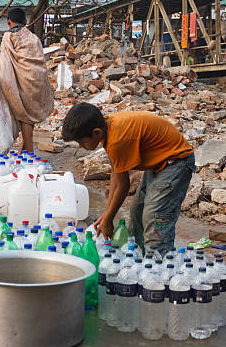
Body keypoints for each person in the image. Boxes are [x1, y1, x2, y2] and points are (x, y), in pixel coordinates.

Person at [62, 103, 195, 255]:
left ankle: (159, 264)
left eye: (82, 142)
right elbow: (116, 175)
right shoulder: (108, 128)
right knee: (137, 210)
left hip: (176, 162)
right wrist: (107, 214)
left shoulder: (118, 139)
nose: (80, 146)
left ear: (96, 132)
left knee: (154, 216)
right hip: (160, 163)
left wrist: (109, 218)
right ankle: (138, 256)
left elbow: (123, 185)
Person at [0, 8, 54, 153]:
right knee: (29, 114)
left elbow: (2, 58)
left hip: (23, 80)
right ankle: (23, 150)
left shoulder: (9, 36)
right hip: (37, 80)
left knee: (25, 117)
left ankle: (30, 154)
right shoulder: (33, 37)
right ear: (25, 22)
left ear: (8, 22)